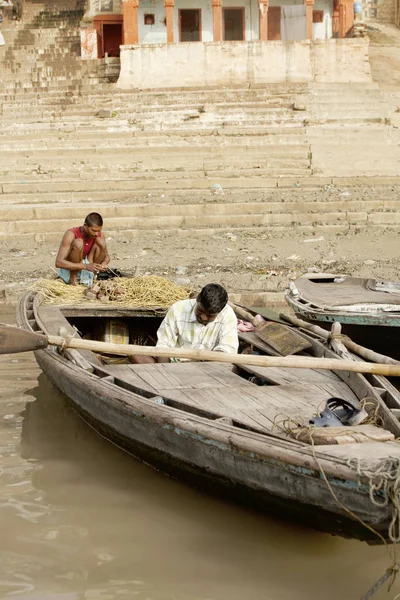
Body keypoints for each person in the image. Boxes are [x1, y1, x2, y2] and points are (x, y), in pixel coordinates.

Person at [129, 283, 238, 364]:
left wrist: (197, 361)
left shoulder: (228, 315)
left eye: (210, 316)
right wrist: (164, 371)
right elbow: (163, 345)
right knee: (135, 354)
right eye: (200, 311)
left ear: (220, 312)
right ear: (197, 300)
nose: (203, 317)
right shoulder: (178, 309)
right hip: (175, 364)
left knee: (229, 365)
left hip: (206, 366)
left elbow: (227, 350)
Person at [55, 212, 110, 286]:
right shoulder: (71, 234)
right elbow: (58, 262)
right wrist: (85, 266)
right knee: (79, 242)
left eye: (98, 230)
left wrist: (104, 264)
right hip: (72, 267)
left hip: (89, 265)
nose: (96, 233)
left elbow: (107, 257)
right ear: (85, 226)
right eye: (93, 230)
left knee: (100, 241)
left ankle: (92, 277)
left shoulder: (99, 235)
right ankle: (73, 279)